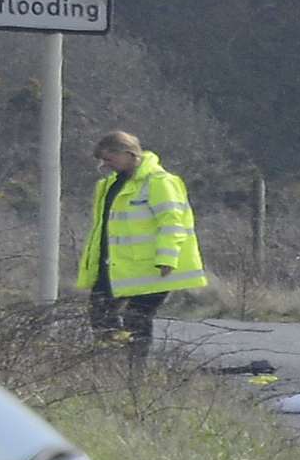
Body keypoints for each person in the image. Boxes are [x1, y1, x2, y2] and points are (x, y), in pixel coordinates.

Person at [75, 131, 208, 360]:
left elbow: (172, 222)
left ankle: (135, 370)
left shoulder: (160, 182)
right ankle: (113, 361)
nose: (106, 165)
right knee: (100, 313)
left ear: (128, 153)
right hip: (116, 266)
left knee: (137, 317)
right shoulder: (109, 186)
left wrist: (167, 258)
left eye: (110, 159)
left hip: (151, 268)